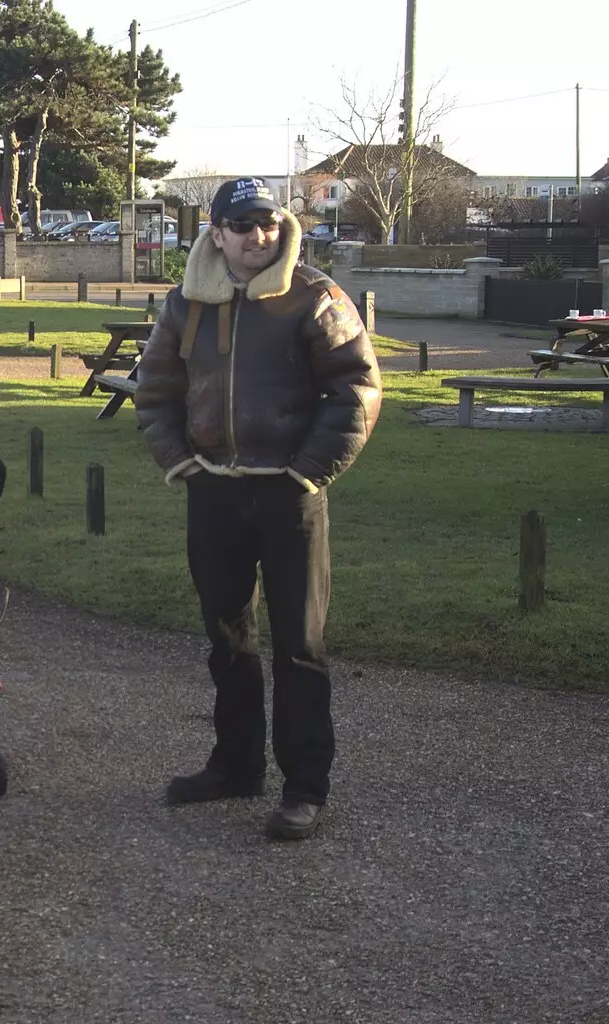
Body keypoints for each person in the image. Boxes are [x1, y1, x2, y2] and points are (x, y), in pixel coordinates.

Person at [133, 177, 382, 842]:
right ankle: (236, 765)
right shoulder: (187, 302)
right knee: (228, 638)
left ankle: (305, 787)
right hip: (212, 491)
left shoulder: (316, 297)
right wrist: (181, 463)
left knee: (299, 646)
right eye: (241, 225)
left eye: (267, 224)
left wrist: (307, 472)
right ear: (216, 232)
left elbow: (357, 388)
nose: (256, 237)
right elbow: (155, 389)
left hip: (290, 494)